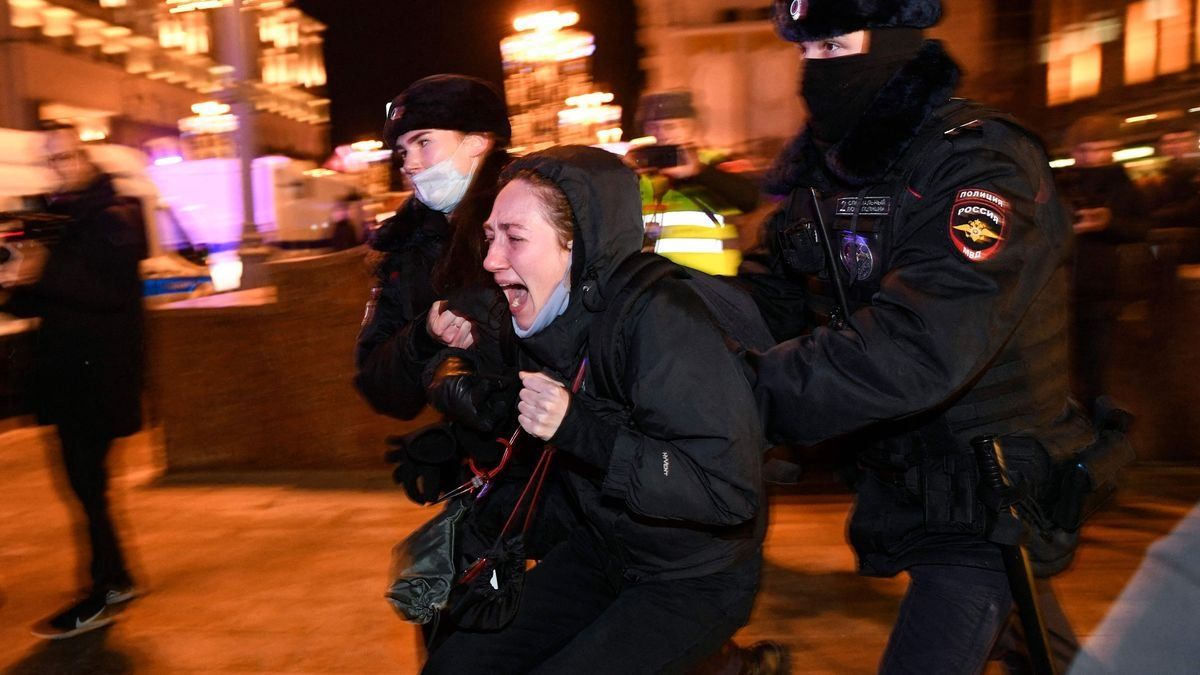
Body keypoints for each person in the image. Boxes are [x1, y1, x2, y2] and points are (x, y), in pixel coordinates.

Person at [741, 1, 1095, 671]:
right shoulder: (829, 174)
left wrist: (747, 388)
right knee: (1039, 644)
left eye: (834, 47)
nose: (815, 71)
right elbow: (764, 295)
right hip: (912, 476)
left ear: (894, 43)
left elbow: (919, 345)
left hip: (991, 488)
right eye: (806, 51)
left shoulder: (981, 162)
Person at [420, 145, 766, 673]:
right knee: (455, 666)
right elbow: (462, 329)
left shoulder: (665, 322)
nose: (491, 259)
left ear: (578, 244)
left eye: (514, 238)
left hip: (693, 577)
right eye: (490, 237)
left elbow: (725, 491)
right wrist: (456, 371)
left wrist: (581, 430)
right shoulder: (547, 313)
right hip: (605, 551)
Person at [0, 125, 147, 639]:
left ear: (86, 158)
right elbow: (35, 300)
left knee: (88, 485)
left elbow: (107, 291)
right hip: (67, 376)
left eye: (65, 157)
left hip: (98, 377)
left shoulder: (113, 214)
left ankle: (103, 589)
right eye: (50, 159)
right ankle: (117, 577)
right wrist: (15, 281)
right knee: (87, 487)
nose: (58, 167)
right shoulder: (63, 218)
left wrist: (40, 271)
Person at [354, 74, 513, 422]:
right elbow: (378, 385)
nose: (409, 164)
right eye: (403, 151)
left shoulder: (535, 219)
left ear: (476, 141)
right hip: (471, 448)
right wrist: (423, 336)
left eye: (423, 142)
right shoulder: (407, 246)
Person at [1053, 115, 1149, 415]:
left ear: (1113, 148)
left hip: (1101, 288)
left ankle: (1092, 413)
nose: (1090, 157)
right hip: (1060, 285)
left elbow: (1140, 228)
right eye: (1083, 150)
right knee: (1058, 360)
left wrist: (1108, 222)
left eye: (1099, 148)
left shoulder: (1122, 184)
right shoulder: (1062, 182)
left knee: (1095, 361)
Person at [634, 90, 761, 276]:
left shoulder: (714, 162)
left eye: (670, 126)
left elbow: (749, 198)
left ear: (691, 127)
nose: (662, 135)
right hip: (661, 283)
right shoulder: (644, 173)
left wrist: (698, 172)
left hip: (712, 281)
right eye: (653, 127)